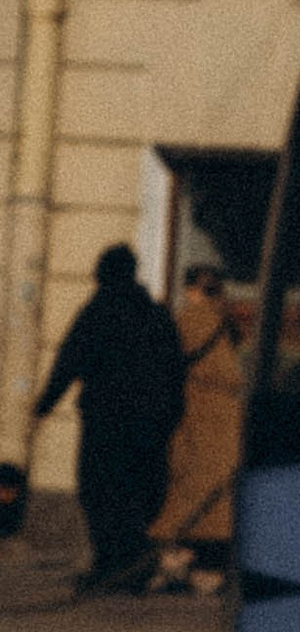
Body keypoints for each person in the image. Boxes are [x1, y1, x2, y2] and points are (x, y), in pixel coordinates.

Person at [32, 243, 187, 593]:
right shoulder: (156, 315)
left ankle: (112, 565)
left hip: (106, 423)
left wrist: (44, 405)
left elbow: (69, 360)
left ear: (103, 274)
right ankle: (130, 565)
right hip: (149, 426)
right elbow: (176, 371)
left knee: (99, 492)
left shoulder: (98, 311)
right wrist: (170, 418)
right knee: (138, 493)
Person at [148, 265, 247, 592]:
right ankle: (210, 566)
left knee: (186, 487)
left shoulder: (187, 320)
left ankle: (178, 559)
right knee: (216, 493)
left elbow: (163, 361)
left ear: (191, 289)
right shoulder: (224, 323)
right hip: (227, 418)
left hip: (198, 413)